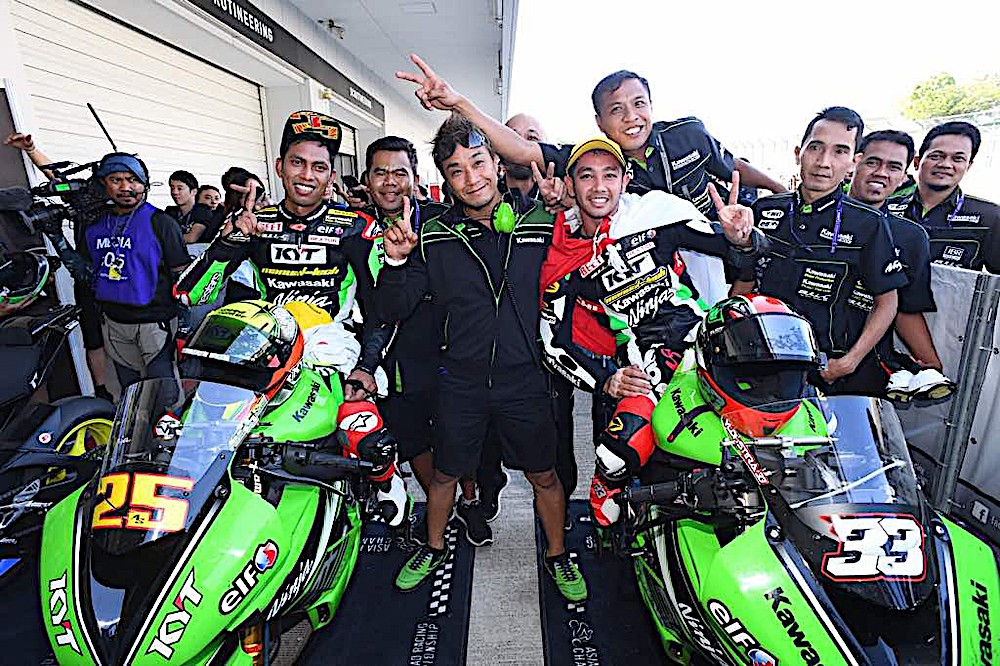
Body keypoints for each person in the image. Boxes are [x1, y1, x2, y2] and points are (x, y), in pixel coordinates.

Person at [376, 113, 587, 602]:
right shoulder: (432, 235)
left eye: (478, 162)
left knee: (544, 474)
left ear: (497, 162)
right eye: (457, 170)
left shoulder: (539, 222)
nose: (471, 178)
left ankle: (557, 554)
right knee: (446, 473)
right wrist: (397, 261)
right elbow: (393, 307)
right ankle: (432, 547)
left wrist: (568, 212)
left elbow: (584, 259)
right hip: (461, 381)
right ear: (445, 180)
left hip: (525, 380)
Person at [538, 137, 764, 526]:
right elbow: (553, 340)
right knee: (616, 462)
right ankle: (612, 496)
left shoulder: (654, 217)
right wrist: (606, 379)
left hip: (705, 350)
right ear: (570, 185)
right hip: (643, 372)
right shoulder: (564, 255)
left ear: (625, 180)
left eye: (610, 175)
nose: (599, 187)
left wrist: (741, 237)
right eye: (587, 176)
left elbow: (735, 250)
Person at [396, 54, 786, 218]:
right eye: (616, 110)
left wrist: (779, 189)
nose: (631, 118)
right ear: (599, 122)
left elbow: (732, 165)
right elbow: (523, 149)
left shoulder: (690, 134)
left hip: (719, 253)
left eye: (639, 104)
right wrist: (459, 103)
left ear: (652, 105)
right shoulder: (593, 159)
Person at [176, 111, 391, 401]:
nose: (306, 175)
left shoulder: (357, 227)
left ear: (331, 176)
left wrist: (366, 366)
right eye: (297, 162)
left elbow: (383, 308)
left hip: (335, 357)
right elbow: (189, 295)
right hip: (263, 357)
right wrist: (228, 243)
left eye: (319, 167)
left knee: (362, 425)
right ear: (279, 167)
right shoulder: (252, 222)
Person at [744, 107, 907, 396]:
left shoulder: (869, 223)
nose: (823, 162)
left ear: (854, 161)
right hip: (758, 357)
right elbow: (744, 280)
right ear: (799, 153)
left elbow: (887, 301)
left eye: (839, 151)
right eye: (815, 148)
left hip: (824, 369)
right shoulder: (765, 208)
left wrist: (848, 362)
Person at [43, 152, 188, 404]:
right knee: (130, 395)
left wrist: (184, 327)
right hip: (114, 324)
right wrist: (57, 237)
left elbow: (183, 278)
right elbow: (85, 275)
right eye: (116, 180)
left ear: (145, 183)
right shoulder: (96, 225)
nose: (125, 187)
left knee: (166, 394)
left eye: (133, 180)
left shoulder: (162, 223)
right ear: (104, 184)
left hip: (155, 325)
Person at [3, 132, 113, 401]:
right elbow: (57, 179)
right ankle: (102, 393)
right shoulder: (83, 192)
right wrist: (31, 149)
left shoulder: (124, 206)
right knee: (92, 337)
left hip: (116, 277)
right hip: (85, 278)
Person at [848, 130, 955, 400]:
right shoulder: (811, 216)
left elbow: (906, 307)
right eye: (873, 162)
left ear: (904, 177)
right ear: (854, 162)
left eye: (894, 167)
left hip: (864, 370)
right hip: (795, 356)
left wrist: (930, 363)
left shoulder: (910, 236)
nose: (881, 173)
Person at [888, 121, 1000, 274]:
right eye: (936, 156)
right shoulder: (885, 209)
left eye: (957, 159)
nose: (945, 164)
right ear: (917, 162)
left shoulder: (990, 217)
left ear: (968, 166)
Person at [164, 170, 216, 244]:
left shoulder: (203, 211)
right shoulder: (170, 212)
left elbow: (191, 238)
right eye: (172, 188)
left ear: (194, 192)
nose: (174, 192)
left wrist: (164, 239)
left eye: (179, 188)